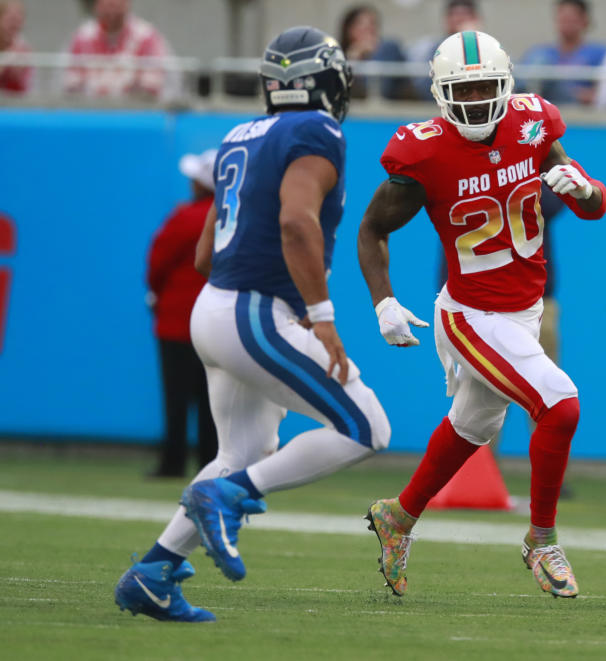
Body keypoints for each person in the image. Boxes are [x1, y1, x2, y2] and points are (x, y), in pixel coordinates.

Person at [114, 26, 391, 623]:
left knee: (243, 450)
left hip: (214, 306)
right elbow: (296, 223)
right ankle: (231, 495)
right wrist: (320, 317)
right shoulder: (317, 129)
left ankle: (154, 571)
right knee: (366, 426)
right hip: (255, 311)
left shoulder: (240, 134)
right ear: (325, 83)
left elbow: (203, 256)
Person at [357, 30, 606, 599]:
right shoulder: (423, 151)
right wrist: (383, 301)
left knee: (474, 424)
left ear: (507, 85)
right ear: (441, 94)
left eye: (484, 90)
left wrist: (582, 188)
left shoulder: (533, 124)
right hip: (469, 313)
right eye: (460, 92)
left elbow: (594, 208)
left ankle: (400, 515)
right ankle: (542, 539)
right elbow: (371, 229)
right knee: (561, 405)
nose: (473, 103)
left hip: (523, 310)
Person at [146, 149, 219, 478]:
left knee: (176, 398)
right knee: (212, 400)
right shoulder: (237, 218)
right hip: (217, 321)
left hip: (176, 320)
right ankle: (210, 463)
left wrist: (157, 296)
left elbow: (158, 263)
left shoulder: (186, 216)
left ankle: (172, 462)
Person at [62, 0, 175, 100]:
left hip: (135, 117)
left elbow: (152, 90)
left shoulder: (146, 36)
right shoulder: (82, 37)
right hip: (91, 116)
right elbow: (70, 88)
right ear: (96, 4)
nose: (112, 4)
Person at [521, 0, 606, 106]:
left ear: (585, 21)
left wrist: (576, 93)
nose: (566, 24)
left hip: (577, 108)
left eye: (572, 20)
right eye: (563, 19)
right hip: (546, 106)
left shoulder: (601, 53)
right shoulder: (540, 51)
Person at [407, 0, 482, 100]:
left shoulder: (491, 48)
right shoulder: (430, 48)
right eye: (454, 14)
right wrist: (459, 43)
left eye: (465, 14)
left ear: (476, 19)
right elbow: (425, 87)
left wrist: (472, 42)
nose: (459, 19)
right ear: (446, 19)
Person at [339, 4, 410, 100]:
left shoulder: (389, 49)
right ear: (349, 30)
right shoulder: (337, 55)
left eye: (372, 24)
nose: (369, 30)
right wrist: (353, 58)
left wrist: (374, 53)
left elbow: (380, 90)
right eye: (362, 25)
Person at [0, 1, 31, 94]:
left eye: (19, 20)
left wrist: (19, 77)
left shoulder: (23, 48)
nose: (15, 25)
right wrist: (6, 61)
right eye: (11, 19)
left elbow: (27, 92)